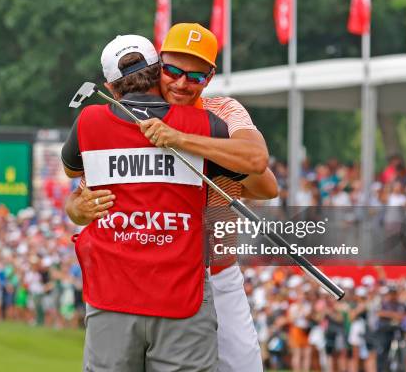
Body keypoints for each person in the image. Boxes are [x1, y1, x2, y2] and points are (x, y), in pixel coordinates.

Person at [66, 23, 277, 372]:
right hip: (145, 276)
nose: (181, 83)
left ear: (209, 78)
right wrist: (76, 208)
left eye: (195, 76)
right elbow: (78, 194)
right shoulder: (123, 115)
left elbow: (263, 179)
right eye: (173, 71)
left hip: (215, 270)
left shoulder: (221, 111)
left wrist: (182, 140)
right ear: (156, 67)